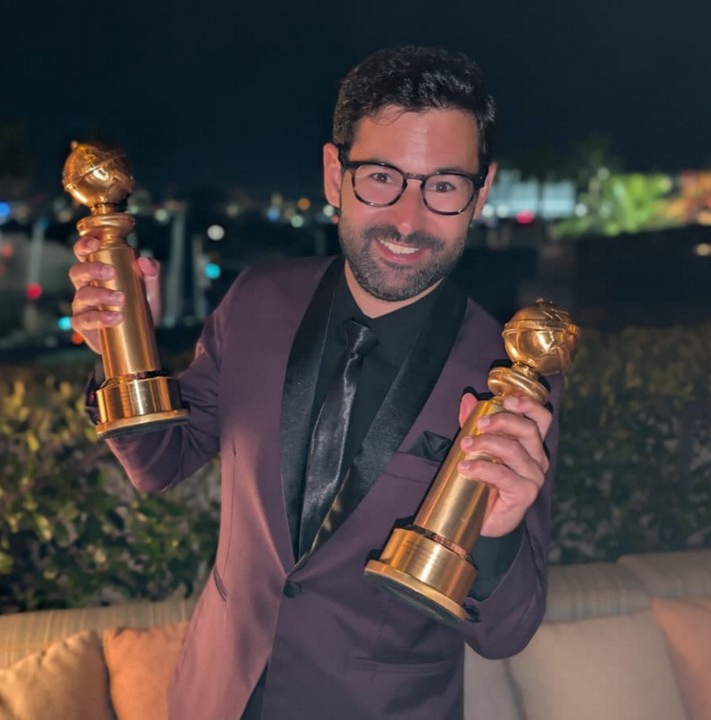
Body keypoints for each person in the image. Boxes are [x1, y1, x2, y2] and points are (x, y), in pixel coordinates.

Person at [69, 45, 560, 720]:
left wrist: (497, 530)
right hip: (216, 699)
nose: (409, 220)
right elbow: (161, 463)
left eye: (443, 185)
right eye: (381, 177)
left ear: (481, 192)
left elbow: (507, 632)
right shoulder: (255, 302)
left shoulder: (508, 380)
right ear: (334, 175)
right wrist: (126, 352)